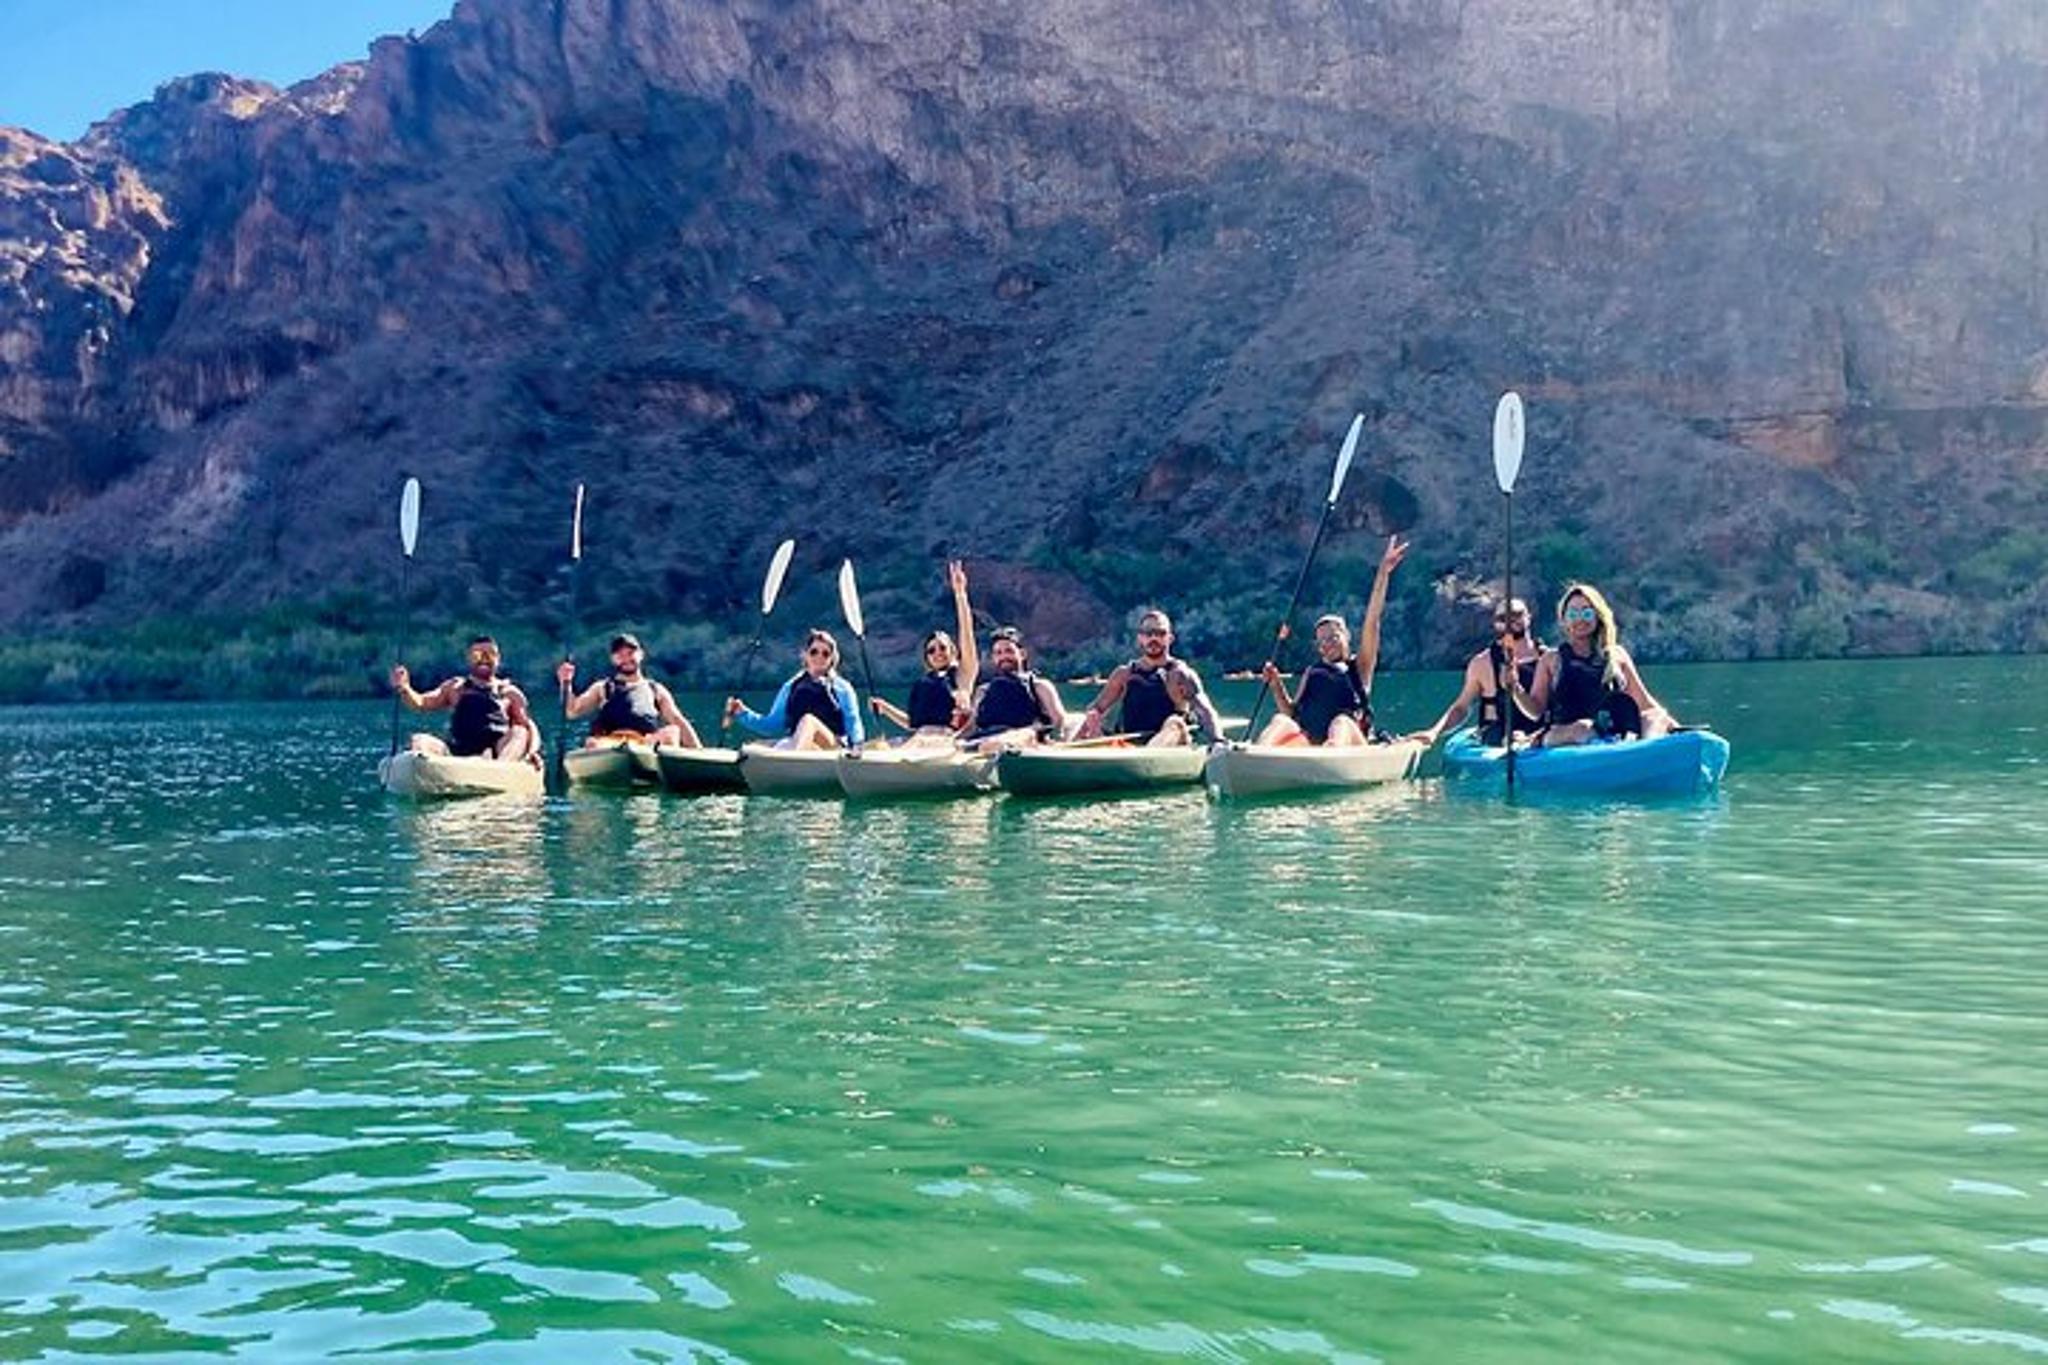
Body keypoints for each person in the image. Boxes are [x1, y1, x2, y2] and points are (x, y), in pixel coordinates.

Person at [1255, 535, 1407, 747]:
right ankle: (1257, 754)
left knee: (1341, 722)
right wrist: (1276, 685)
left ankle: (1331, 752)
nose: (1329, 643)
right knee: (1280, 721)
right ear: (1318, 647)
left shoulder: (1360, 666)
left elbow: (1373, 619)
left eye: (1334, 637)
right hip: (1311, 742)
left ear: (1347, 638)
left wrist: (1383, 574)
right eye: (1323, 640)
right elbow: (1292, 712)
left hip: (1349, 743)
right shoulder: (1312, 672)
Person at [1511, 583, 1678, 747]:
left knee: (1656, 716)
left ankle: (1645, 754)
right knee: (1584, 728)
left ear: (1598, 616)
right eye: (1573, 614)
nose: (1580, 619)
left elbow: (1645, 703)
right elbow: (1535, 711)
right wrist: (1515, 689)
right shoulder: (1551, 659)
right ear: (1564, 620)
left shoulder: (1617, 656)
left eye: (1587, 613)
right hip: (1565, 734)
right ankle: (1613, 755)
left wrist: (1672, 725)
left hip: (1611, 734)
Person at [1407, 598, 1546, 748]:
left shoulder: (1549, 659)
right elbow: (1461, 707)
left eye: (1516, 614)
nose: (1510, 621)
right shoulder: (1481, 663)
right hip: (1498, 736)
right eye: (1502, 618)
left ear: (1528, 617)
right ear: (1495, 624)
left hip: (1540, 735)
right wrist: (1434, 732)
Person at [1073, 608, 1225, 746]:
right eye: (1148, 633)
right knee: (1085, 719)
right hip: (1129, 745)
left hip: (1171, 743)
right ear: (1140, 638)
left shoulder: (1181, 674)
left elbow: (1205, 711)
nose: (1153, 638)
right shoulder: (1124, 674)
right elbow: (1097, 707)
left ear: (1169, 638)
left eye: (1160, 633)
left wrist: (1218, 740)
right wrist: (1079, 736)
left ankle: (1150, 751)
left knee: (1175, 723)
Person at [868, 561, 978, 746]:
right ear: (926, 657)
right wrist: (885, 708)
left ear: (953, 651)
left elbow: (967, 633)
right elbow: (913, 724)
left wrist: (960, 594)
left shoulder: (962, 676)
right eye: (931, 650)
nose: (937, 653)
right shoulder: (923, 685)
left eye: (942, 648)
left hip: (946, 740)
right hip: (918, 738)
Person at [390, 636, 541, 763]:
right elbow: (422, 703)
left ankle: (499, 770)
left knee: (519, 731)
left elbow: (528, 728)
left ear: (498, 659)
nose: (484, 659)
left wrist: (532, 752)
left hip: (496, 755)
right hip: (458, 754)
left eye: (490, 654)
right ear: (469, 658)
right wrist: (405, 688)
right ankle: (429, 771)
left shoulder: (510, 693)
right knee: (419, 740)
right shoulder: (454, 687)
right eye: (478, 655)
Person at [724, 629, 866, 749]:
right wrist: (742, 713)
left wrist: (857, 745)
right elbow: (772, 725)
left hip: (834, 746)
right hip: (802, 745)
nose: (819, 657)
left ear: (832, 659)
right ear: (805, 654)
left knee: (808, 721)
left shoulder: (842, 688)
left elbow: (853, 722)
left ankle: (793, 763)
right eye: (814, 652)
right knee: (755, 746)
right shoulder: (790, 687)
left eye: (825, 653)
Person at [557, 633, 700, 747]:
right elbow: (572, 711)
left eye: (630, 653)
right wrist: (566, 683)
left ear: (641, 655)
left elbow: (677, 720)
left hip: (646, 744)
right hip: (610, 744)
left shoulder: (656, 690)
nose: (626, 659)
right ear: (613, 659)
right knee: (592, 743)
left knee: (673, 732)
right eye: (620, 655)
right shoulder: (602, 688)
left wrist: (699, 750)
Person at [966, 625, 1069, 752]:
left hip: (1023, 736)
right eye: (998, 653)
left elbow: (1059, 721)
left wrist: (1053, 742)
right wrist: (951, 741)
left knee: (998, 743)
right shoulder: (983, 691)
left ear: (1022, 654)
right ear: (993, 658)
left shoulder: (1040, 686)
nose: (1004, 657)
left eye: (1009, 651)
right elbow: (971, 727)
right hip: (985, 737)